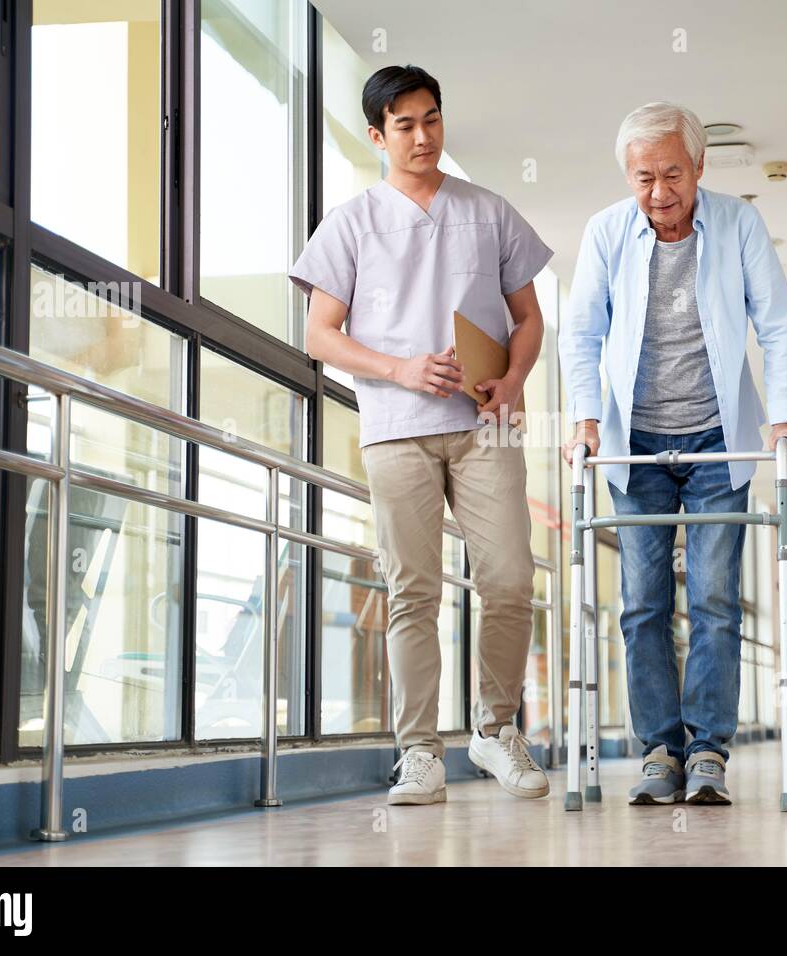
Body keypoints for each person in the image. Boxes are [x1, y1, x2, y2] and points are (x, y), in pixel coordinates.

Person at [289, 65, 552, 805]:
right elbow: (319, 333)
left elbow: (528, 318)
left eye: (431, 118)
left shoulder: (489, 211)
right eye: (403, 125)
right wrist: (398, 369)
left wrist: (517, 377)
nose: (422, 135)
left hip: (483, 423)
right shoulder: (350, 222)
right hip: (396, 428)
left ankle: (496, 730)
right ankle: (419, 752)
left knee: (508, 578)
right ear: (377, 137)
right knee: (414, 592)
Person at [560, 102, 787, 805]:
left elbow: (779, 325)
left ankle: (707, 750)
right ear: (627, 177)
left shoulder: (738, 225)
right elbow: (580, 334)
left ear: (699, 167)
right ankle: (659, 749)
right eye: (644, 177)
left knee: (715, 598)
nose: (660, 191)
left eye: (673, 173)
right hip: (632, 444)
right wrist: (584, 421)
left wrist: (784, 418)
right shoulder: (606, 233)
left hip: (714, 443)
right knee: (641, 603)